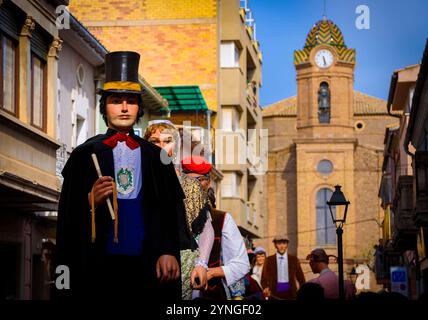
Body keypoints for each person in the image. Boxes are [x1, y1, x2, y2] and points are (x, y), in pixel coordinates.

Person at [55, 51, 184, 300]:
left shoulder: (159, 158)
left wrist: (168, 250)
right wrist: (90, 201)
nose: (124, 108)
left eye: (131, 101)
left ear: (139, 107)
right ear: (104, 106)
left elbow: (171, 209)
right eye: (116, 100)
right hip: (98, 268)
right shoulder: (83, 155)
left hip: (147, 266)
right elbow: (66, 220)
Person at [143, 121, 214, 299]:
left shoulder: (190, 185)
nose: (161, 146)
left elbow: (206, 229)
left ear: (176, 146)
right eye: (154, 141)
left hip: (181, 264)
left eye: (167, 141)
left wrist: (201, 264)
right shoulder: (137, 180)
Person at [182, 157, 250, 300]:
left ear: (208, 183)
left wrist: (211, 273)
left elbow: (241, 263)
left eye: (199, 180)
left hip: (210, 294)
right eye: (189, 181)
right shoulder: (172, 213)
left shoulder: (222, 219)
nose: (194, 186)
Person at [261, 235, 305, 300]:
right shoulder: (269, 260)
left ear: (287, 245)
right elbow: (263, 279)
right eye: (279, 243)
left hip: (291, 294)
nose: (282, 246)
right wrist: (266, 288)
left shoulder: (294, 259)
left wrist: (301, 293)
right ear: (275, 245)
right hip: (274, 294)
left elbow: (301, 279)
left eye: (284, 243)